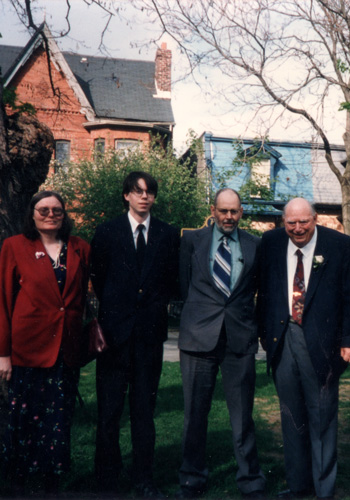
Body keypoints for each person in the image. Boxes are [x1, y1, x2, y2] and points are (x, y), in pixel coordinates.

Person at [90, 171, 180, 498]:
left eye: (149, 192)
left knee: (144, 413)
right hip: (114, 338)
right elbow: (99, 278)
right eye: (137, 191)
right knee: (109, 413)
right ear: (126, 195)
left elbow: (171, 281)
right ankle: (107, 481)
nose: (144, 197)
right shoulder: (107, 231)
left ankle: (144, 480)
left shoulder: (168, 235)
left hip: (148, 339)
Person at [258, 197, 350, 500]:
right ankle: (298, 486)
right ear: (284, 221)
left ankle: (324, 490)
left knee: (322, 417)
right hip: (283, 340)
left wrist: (348, 340)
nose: (297, 228)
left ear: (315, 219)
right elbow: (264, 291)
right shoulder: (270, 242)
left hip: (323, 344)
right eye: (291, 223)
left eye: (304, 222)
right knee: (291, 416)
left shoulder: (339, 245)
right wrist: (265, 335)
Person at [177, 188, 266, 499]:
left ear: (241, 213)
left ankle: (250, 480)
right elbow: (182, 283)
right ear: (213, 210)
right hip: (198, 338)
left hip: (239, 340)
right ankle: (191, 478)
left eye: (235, 212)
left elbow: (260, 291)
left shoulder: (255, 245)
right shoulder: (192, 241)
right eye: (223, 211)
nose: (229, 217)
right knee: (194, 414)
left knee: (243, 417)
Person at [0, 190, 90, 496]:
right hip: (28, 349)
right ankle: (19, 481)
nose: (50, 215)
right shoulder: (14, 246)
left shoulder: (79, 248)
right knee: (25, 418)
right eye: (43, 210)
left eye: (57, 211)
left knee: (59, 419)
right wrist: (3, 354)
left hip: (66, 349)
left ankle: (52, 481)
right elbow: (3, 301)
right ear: (32, 213)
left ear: (64, 215)